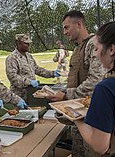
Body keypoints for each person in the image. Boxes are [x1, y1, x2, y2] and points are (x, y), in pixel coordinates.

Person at [49, 10, 106, 157]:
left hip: (92, 117)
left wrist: (66, 94)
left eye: (67, 27)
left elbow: (95, 81)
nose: (64, 32)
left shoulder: (93, 44)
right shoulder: (78, 48)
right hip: (78, 114)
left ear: (79, 24)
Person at [74, 21, 115, 156]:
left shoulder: (105, 88)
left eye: (96, 49)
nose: (95, 55)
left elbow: (100, 146)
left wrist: (76, 118)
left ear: (111, 49)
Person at [5, 33, 60, 101]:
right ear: (19, 44)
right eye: (26, 44)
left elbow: (36, 69)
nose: (29, 46)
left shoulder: (28, 56)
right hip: (20, 96)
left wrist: (52, 73)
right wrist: (29, 82)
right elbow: (12, 77)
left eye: (29, 43)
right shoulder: (12, 58)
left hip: (31, 93)